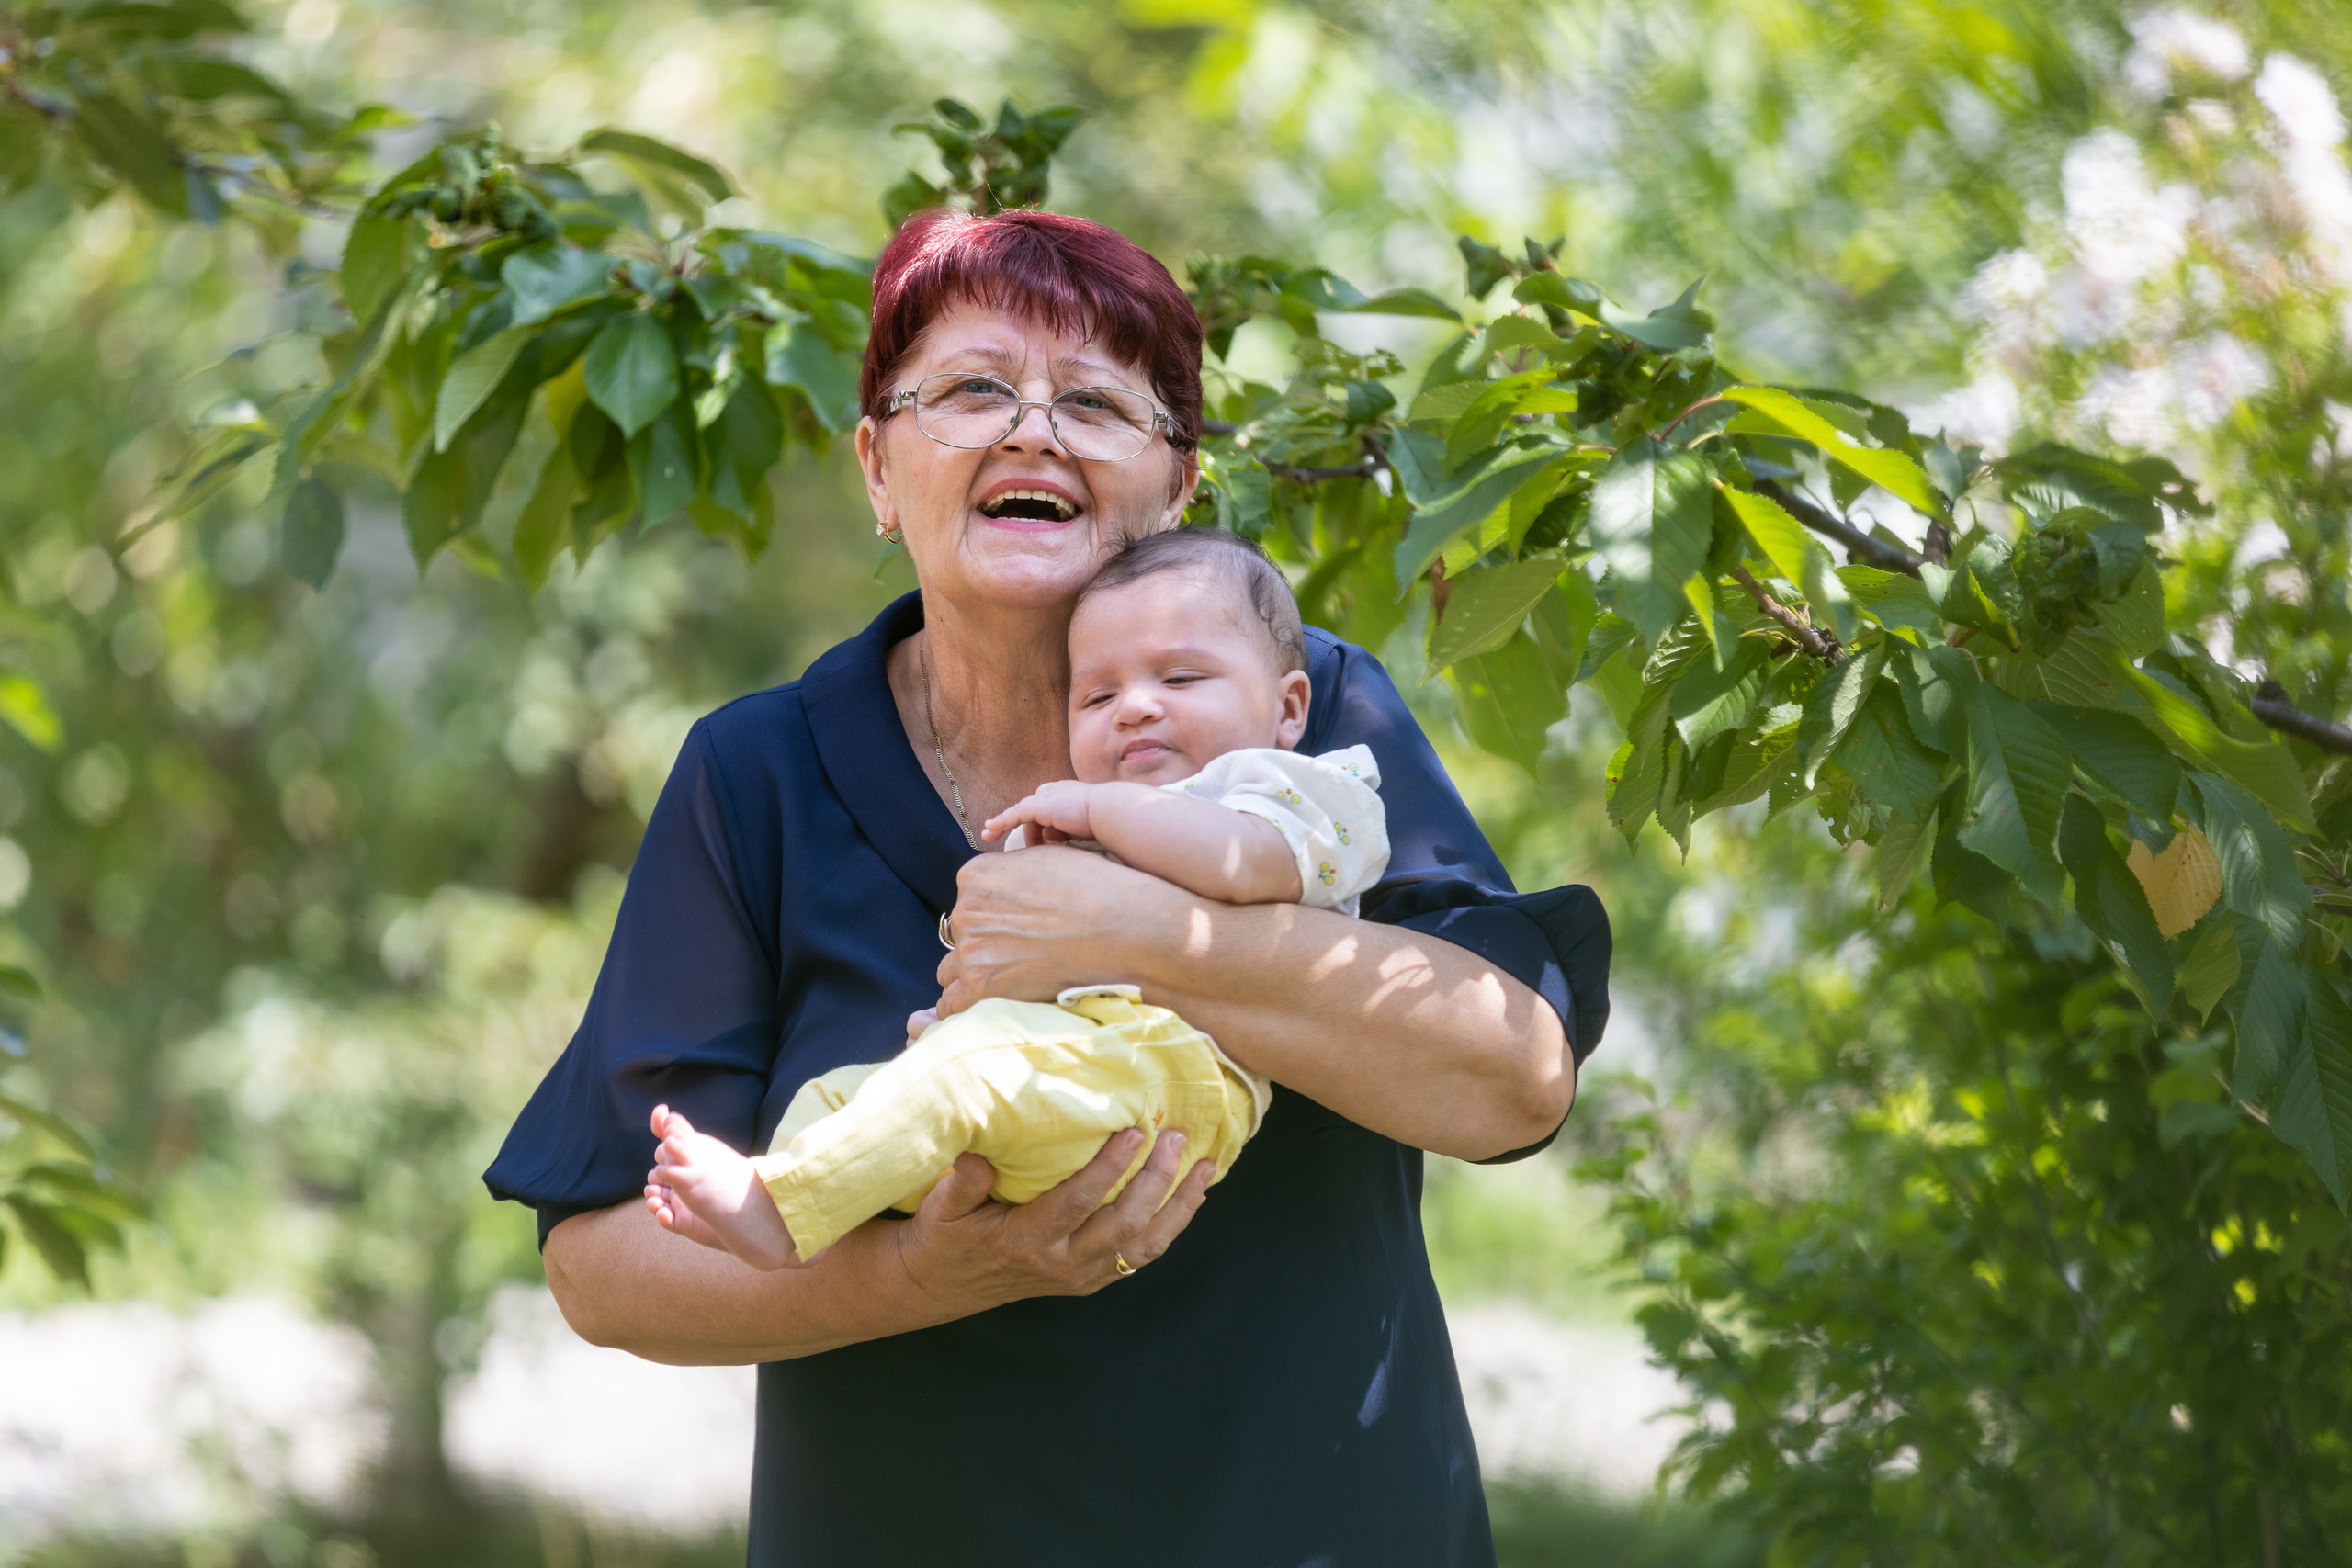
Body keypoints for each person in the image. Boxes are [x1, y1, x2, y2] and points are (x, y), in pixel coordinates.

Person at [483, 205, 1611, 1568]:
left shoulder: (1297, 712)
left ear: (1176, 484)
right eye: (971, 391)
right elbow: (602, 1263)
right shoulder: (761, 772)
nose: (1032, 432)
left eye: (1093, 400)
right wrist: (919, 1273)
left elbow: (1512, 1078)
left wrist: (1153, 936)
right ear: (878, 468)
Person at [639, 527, 1393, 1269]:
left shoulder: (1297, 792)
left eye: (1181, 678)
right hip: (1072, 1073)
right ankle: (786, 1192)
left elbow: (1241, 863)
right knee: (844, 1093)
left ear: (1289, 708)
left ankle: (785, 1212)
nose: (1134, 707)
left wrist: (1096, 811)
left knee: (966, 1076)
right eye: (1097, 694)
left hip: (1174, 1078)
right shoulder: (1100, 821)